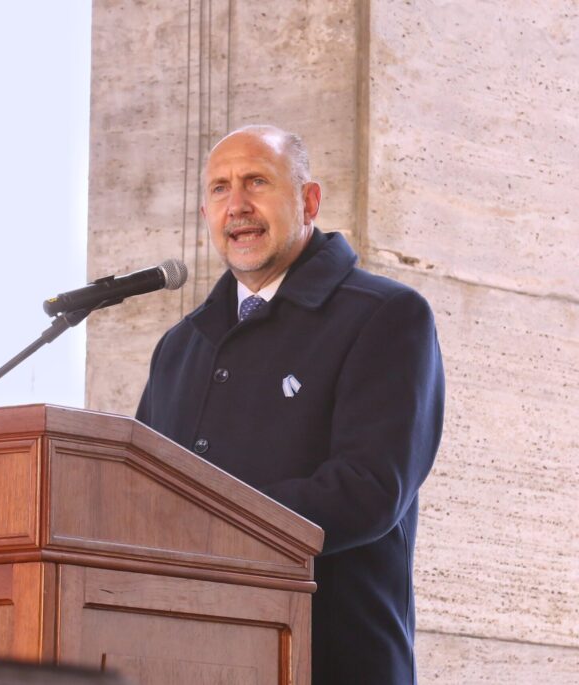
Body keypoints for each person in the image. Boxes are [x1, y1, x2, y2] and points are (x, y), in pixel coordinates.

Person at [136, 125, 445, 684]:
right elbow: (136, 494)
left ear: (308, 200)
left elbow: (367, 489)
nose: (237, 206)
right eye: (219, 188)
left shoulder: (386, 317)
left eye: (257, 181)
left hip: (330, 660)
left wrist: (202, 522)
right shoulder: (180, 347)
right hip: (189, 660)